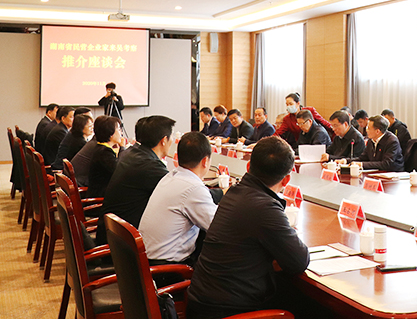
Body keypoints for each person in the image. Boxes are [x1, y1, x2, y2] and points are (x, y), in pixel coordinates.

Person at [186, 137, 311, 319]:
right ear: (286, 180)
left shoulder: (234, 192)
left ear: (248, 166)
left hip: (201, 303)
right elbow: (299, 262)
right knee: (306, 306)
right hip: (227, 312)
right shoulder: (265, 207)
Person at [139, 132, 223, 266]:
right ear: (205, 161)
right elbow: (219, 227)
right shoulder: (194, 188)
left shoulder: (171, 176)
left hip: (147, 259)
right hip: (167, 268)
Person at [95, 115, 176, 244]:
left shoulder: (132, 153)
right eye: (172, 137)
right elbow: (181, 193)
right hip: (123, 243)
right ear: (164, 140)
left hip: (113, 233)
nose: (173, 140)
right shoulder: (149, 165)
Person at [87, 116, 123, 199]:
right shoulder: (104, 152)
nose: (121, 133)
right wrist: (122, 148)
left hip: (102, 193)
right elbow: (120, 171)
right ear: (110, 134)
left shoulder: (101, 148)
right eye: (118, 129)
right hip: (101, 199)